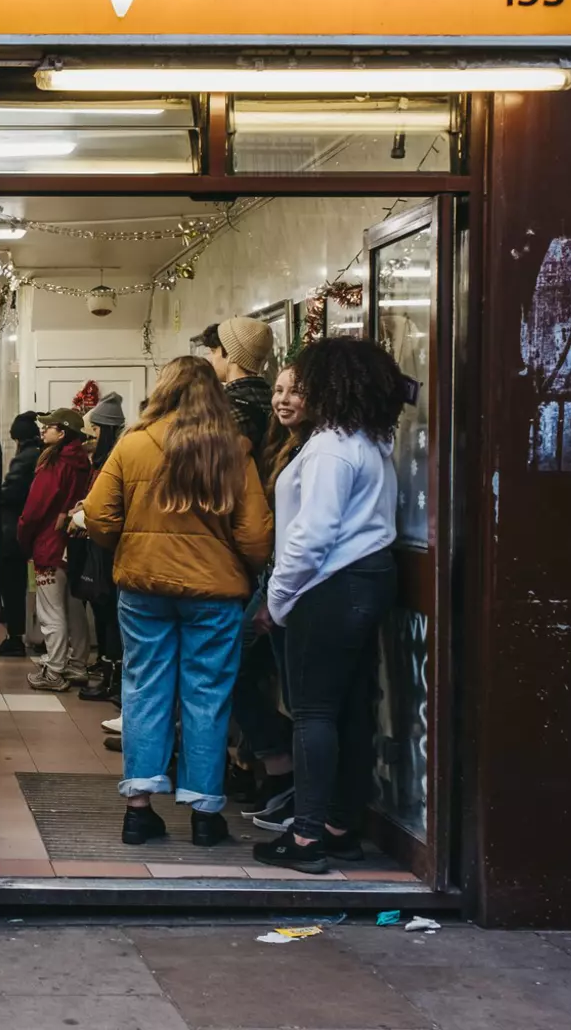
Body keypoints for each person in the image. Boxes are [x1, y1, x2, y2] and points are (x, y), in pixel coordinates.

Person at [82, 356, 273, 847]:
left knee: (145, 689)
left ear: (162, 389)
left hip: (143, 589)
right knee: (206, 695)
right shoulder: (233, 451)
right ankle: (206, 815)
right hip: (214, 593)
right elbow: (255, 537)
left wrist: (132, 545)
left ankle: (139, 811)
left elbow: (99, 517)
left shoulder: (134, 444)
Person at [253, 338, 406, 874]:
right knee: (352, 709)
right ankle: (340, 827)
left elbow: (311, 535)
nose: (298, 393)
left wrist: (276, 599)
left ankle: (307, 838)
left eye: (308, 384)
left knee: (313, 713)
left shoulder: (329, 448)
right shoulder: (368, 441)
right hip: (370, 579)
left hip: (331, 585)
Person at [235, 363, 311, 832]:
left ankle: (286, 773)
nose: (282, 400)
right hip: (273, 578)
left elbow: (307, 534)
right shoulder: (281, 445)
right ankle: (277, 766)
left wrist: (273, 596)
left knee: (291, 691)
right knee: (242, 671)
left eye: (295, 392)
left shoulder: (317, 452)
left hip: (287, 584)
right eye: (279, 390)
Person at [17, 409, 95, 692]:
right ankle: (77, 663)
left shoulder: (54, 464)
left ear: (62, 433)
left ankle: (55, 671)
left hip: (49, 543)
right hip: (73, 543)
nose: (43, 430)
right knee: (74, 607)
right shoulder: (83, 463)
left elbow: (35, 508)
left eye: (49, 427)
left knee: (50, 611)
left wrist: (23, 535)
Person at [72, 394, 127, 702]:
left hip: (109, 549)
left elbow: (109, 508)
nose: (88, 439)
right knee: (104, 613)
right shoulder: (100, 462)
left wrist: (85, 514)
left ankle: (114, 679)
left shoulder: (113, 462)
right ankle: (109, 674)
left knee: (110, 615)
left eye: (93, 431)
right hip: (101, 546)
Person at [0, 412, 41, 658]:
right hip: (26, 531)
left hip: (13, 531)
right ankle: (31, 635)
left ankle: (15, 637)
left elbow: (10, 491)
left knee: (12, 586)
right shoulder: (39, 454)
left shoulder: (26, 458)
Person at [202, 317, 276, 453]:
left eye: (214, 351)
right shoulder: (274, 401)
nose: (211, 359)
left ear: (230, 354)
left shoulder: (220, 410)